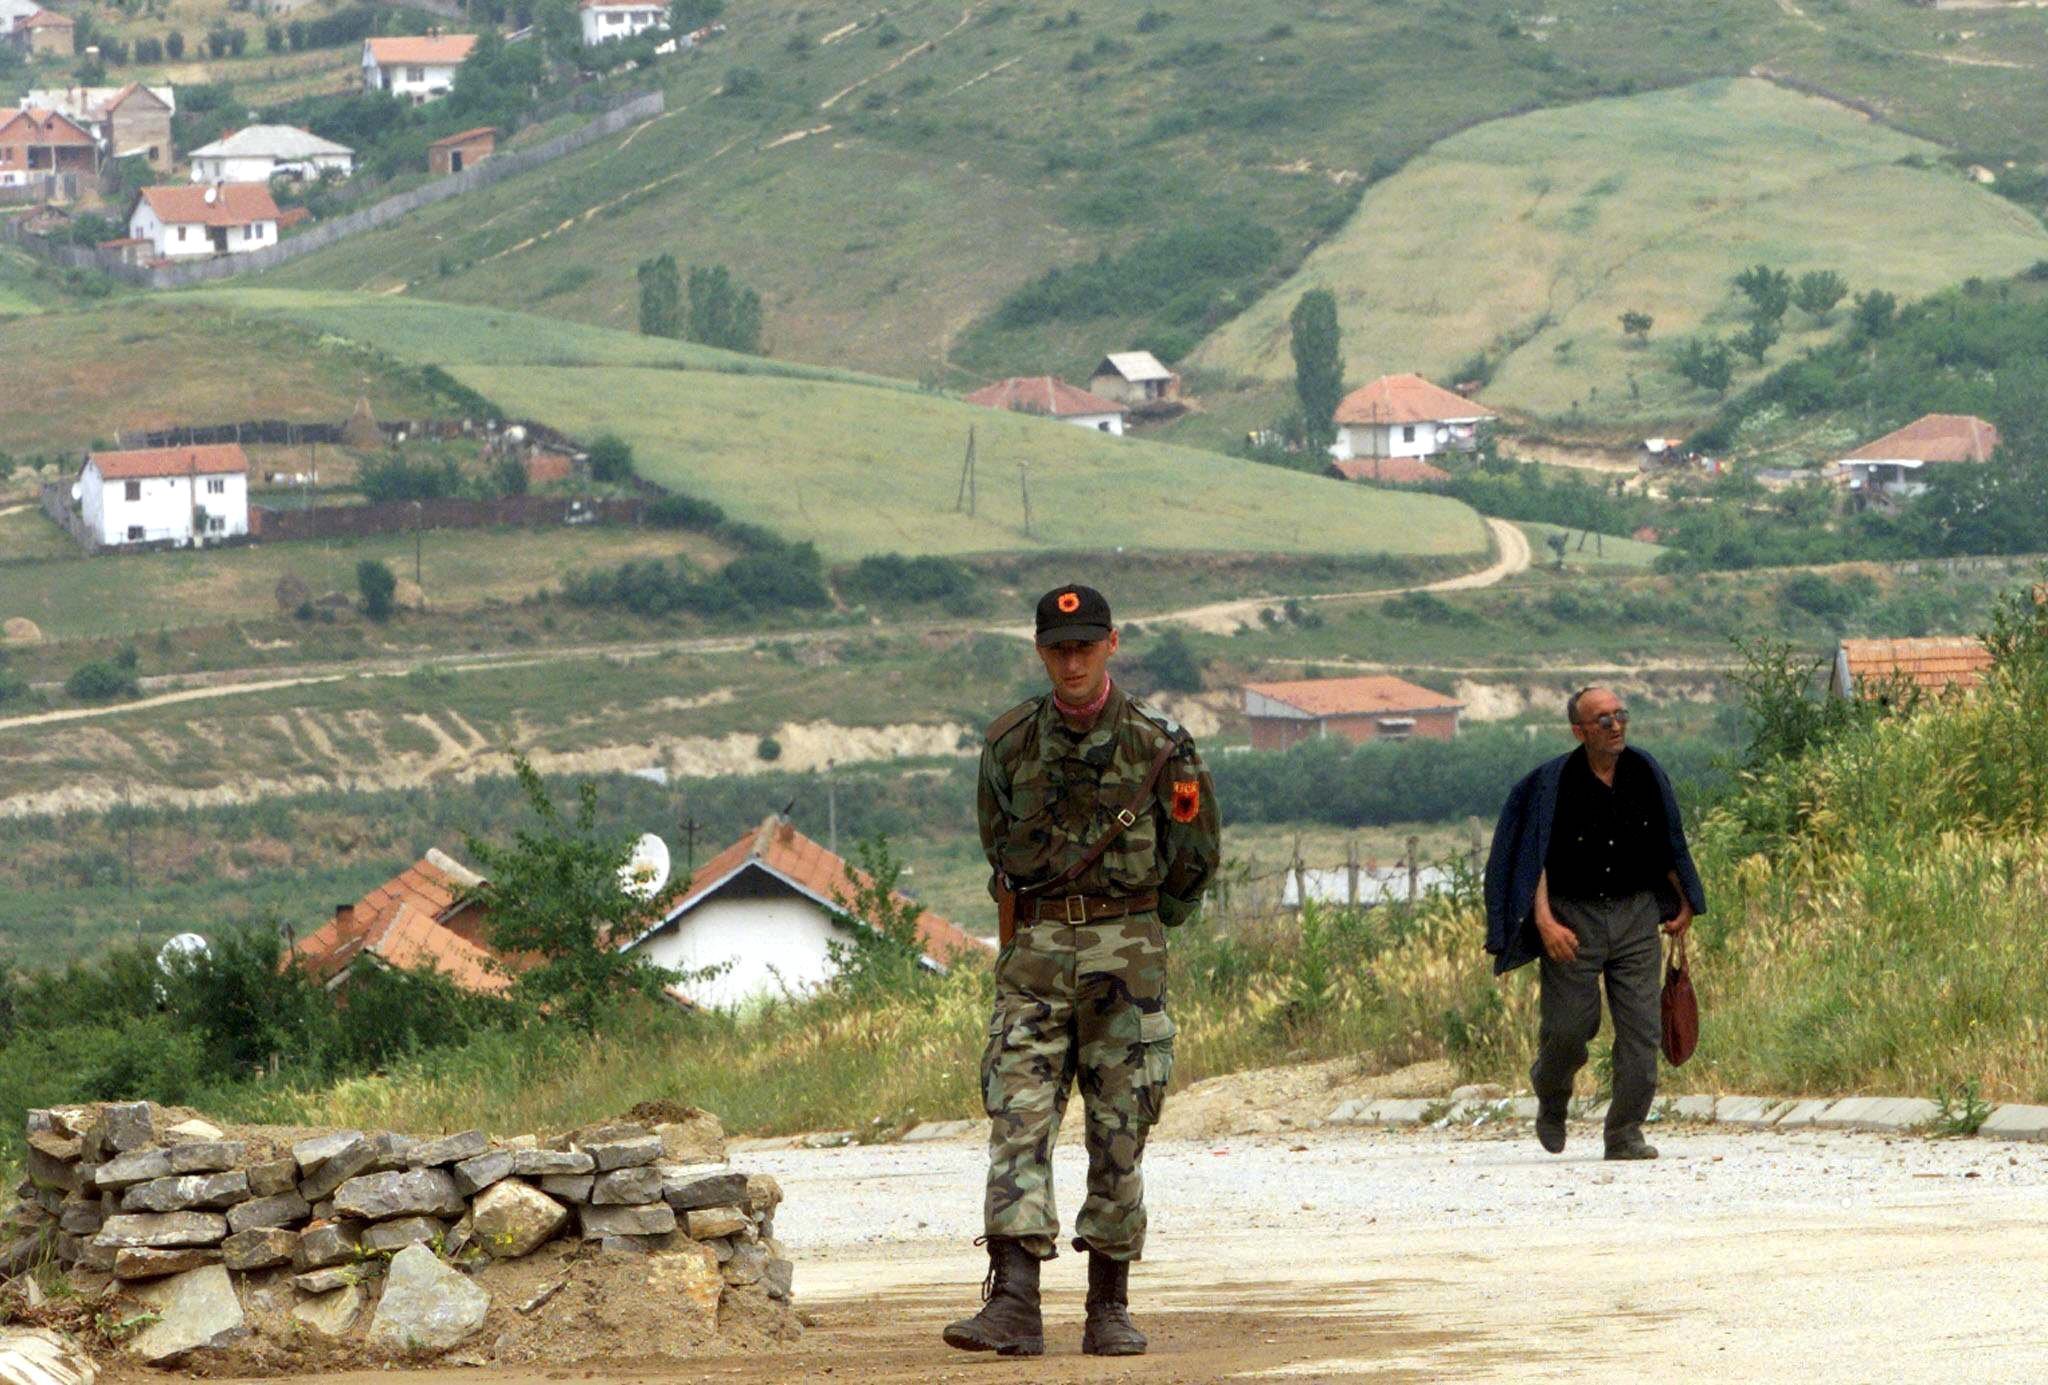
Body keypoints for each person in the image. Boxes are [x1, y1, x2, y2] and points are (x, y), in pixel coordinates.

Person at [944, 584, 1220, 1359]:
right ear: (1040, 650)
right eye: (1059, 646)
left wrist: (1142, 920)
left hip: (1126, 961)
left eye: (1086, 645)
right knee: (1018, 1118)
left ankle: (1109, 1305)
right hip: (1034, 958)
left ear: (1112, 644)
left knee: (1120, 1127)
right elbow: (996, 843)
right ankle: (1014, 1304)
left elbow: (1195, 855)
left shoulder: (1160, 744)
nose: (1073, 659)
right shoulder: (1009, 746)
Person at [1483, 686, 1706, 1160]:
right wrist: (1544, 922)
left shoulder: (1645, 772)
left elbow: (1667, 841)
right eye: (1603, 720)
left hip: (1635, 915)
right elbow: (1531, 859)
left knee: (1641, 1034)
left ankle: (1624, 1133)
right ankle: (1551, 1092)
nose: (1616, 725)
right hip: (1572, 918)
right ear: (1579, 731)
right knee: (1569, 1029)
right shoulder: (1552, 784)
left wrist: (1685, 900)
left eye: (1620, 715)